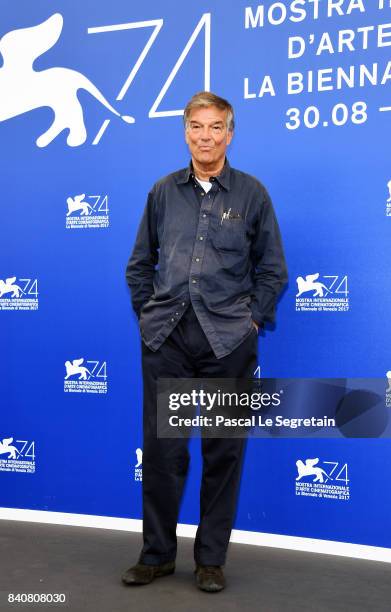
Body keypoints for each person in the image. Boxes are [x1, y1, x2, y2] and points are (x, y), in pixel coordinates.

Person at [123, 91, 287, 592]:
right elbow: (139, 267)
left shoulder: (252, 194)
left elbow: (273, 271)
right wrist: (149, 319)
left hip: (228, 344)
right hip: (167, 341)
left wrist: (250, 322)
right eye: (197, 126)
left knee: (223, 452)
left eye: (216, 127)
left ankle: (211, 559)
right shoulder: (162, 192)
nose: (206, 136)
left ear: (229, 134)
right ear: (185, 132)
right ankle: (156, 554)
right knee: (163, 452)